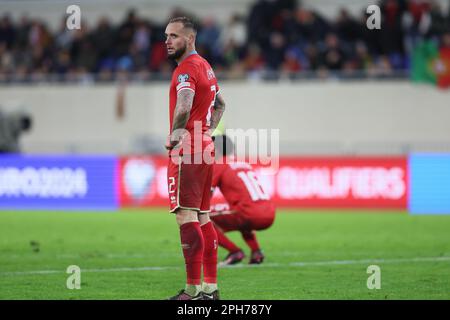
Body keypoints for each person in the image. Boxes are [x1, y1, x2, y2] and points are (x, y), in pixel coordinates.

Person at [164, 17, 226, 300]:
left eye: (174, 36)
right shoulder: (206, 66)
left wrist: (178, 132)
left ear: (189, 39)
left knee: (185, 215)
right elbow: (221, 103)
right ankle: (210, 290)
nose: (167, 41)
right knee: (203, 216)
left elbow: (185, 103)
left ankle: (191, 290)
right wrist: (208, 130)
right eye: (166, 36)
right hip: (203, 146)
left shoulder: (187, 70)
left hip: (187, 149)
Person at [210, 135, 276, 265]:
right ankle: (256, 252)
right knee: (239, 213)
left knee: (200, 217)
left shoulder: (219, 164)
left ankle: (234, 251)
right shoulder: (244, 163)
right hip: (269, 212)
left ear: (216, 150)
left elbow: (207, 195)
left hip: (250, 213)